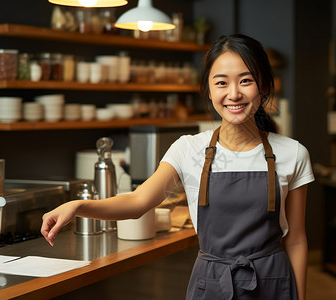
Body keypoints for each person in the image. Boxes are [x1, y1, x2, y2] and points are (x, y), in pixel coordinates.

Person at [41, 33, 314, 300]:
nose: (234, 94)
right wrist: (78, 207)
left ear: (264, 84)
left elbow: (297, 240)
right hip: (212, 284)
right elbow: (138, 202)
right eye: (221, 83)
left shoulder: (292, 153)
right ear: (208, 89)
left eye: (246, 81)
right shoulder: (188, 149)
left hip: (273, 283)